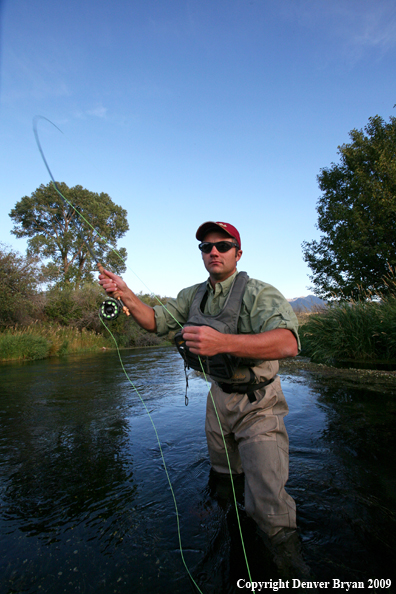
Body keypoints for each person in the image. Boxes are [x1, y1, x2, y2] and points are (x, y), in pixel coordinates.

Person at [99, 221, 308, 578]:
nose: (213, 251)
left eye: (223, 245)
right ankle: (228, 519)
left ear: (237, 254)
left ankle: (289, 569)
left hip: (259, 403)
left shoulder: (260, 293)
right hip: (218, 399)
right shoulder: (192, 295)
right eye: (206, 246)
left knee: (269, 507)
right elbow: (156, 322)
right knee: (224, 474)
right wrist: (126, 293)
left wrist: (222, 342)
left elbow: (288, 343)